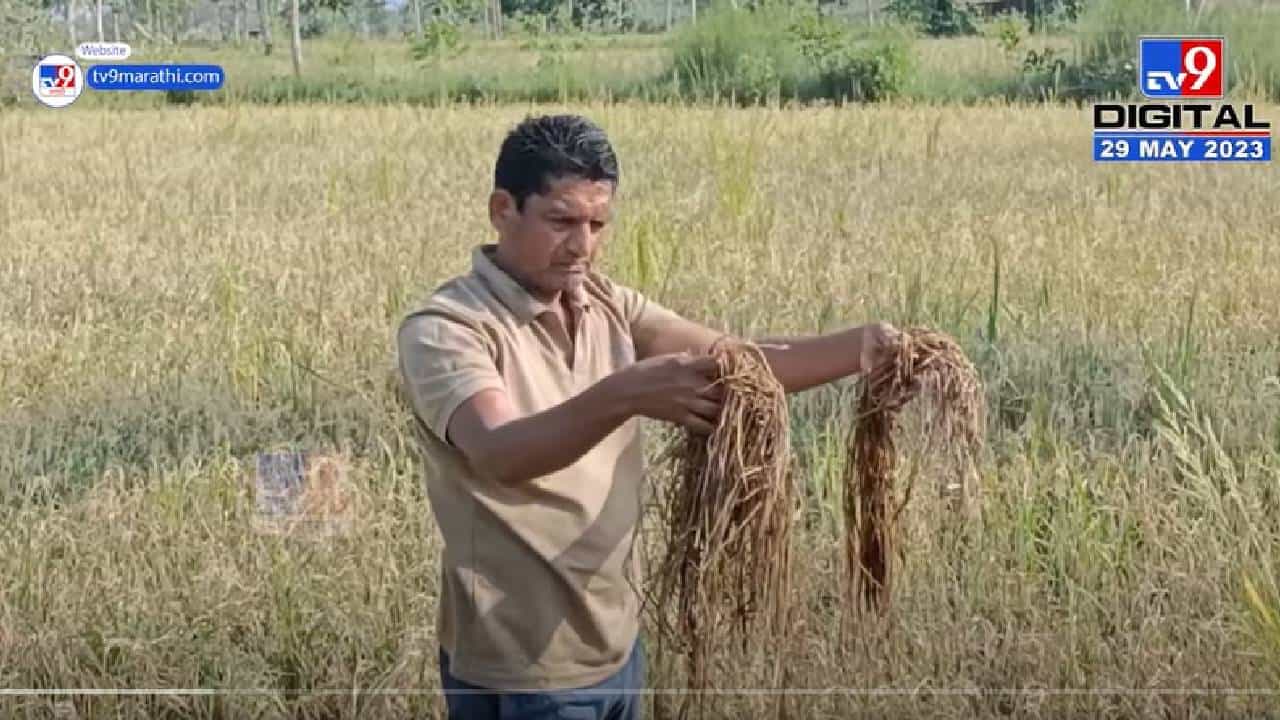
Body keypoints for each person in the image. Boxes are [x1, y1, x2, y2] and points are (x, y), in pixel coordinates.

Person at [396, 113, 903, 720]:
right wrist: (625, 394)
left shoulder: (605, 302)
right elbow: (500, 450)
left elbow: (736, 361)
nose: (582, 245)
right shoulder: (450, 329)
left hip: (617, 642)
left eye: (597, 223)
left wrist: (861, 349)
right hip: (529, 663)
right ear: (503, 209)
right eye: (561, 220)